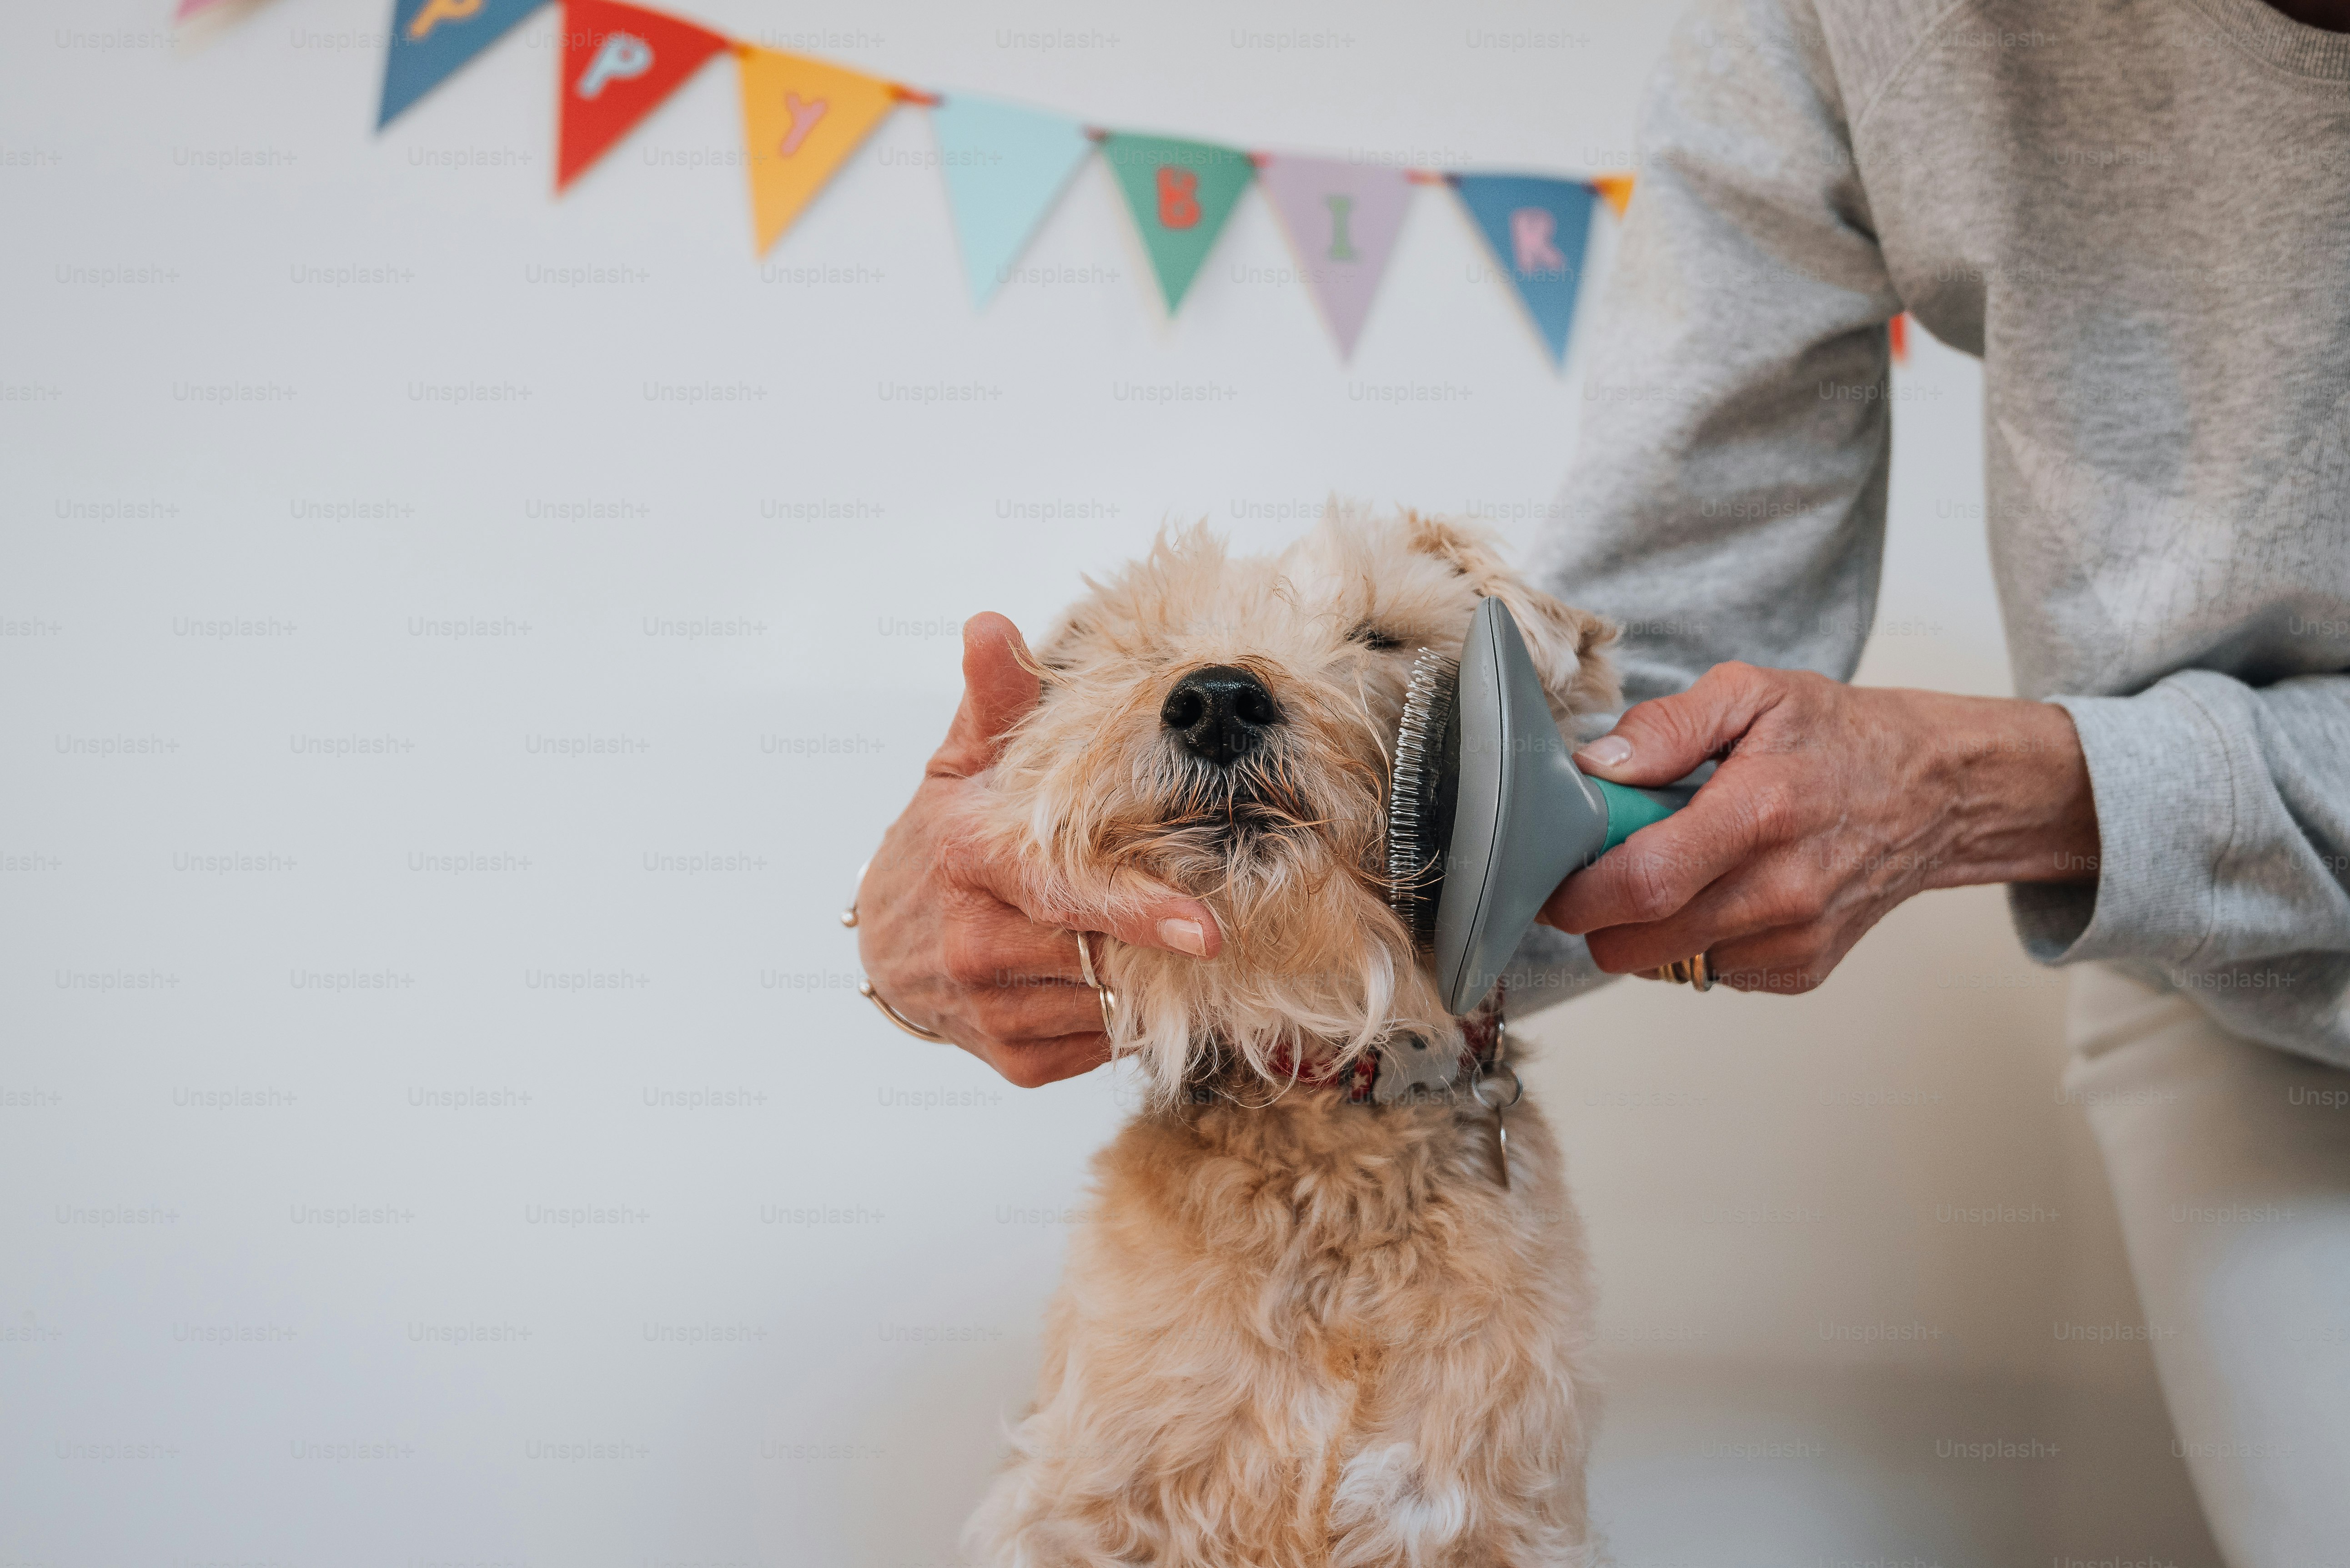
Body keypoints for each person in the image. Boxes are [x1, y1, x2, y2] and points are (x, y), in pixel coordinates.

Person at [856, 2, 2350, 1560]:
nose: (1234, 696)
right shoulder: (1836, 25)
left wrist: (2020, 784)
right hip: (2233, 966)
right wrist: (931, 909)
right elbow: (1648, 682)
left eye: (1381, 645)